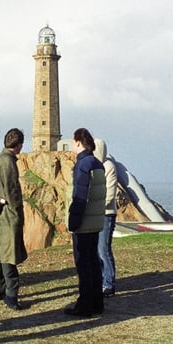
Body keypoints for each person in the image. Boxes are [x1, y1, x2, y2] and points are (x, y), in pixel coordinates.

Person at [64, 128, 106, 317]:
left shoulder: (83, 164)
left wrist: (74, 221)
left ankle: (84, 304)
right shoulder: (98, 163)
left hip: (84, 222)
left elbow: (80, 195)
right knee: (94, 262)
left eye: (73, 142)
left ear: (79, 142)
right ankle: (97, 302)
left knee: (83, 264)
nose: (72, 146)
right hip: (95, 221)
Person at [0, 128, 29, 310]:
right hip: (9, 212)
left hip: (1, 209)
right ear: (19, 144)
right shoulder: (8, 162)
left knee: (1, 250)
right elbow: (12, 189)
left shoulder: (0, 158)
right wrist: (16, 209)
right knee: (10, 253)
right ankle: (11, 295)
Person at [93, 138, 118, 298]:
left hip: (106, 214)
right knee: (97, 250)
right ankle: (101, 281)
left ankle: (108, 283)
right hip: (96, 214)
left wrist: (94, 207)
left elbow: (110, 195)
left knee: (103, 249)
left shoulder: (109, 167)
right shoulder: (95, 165)